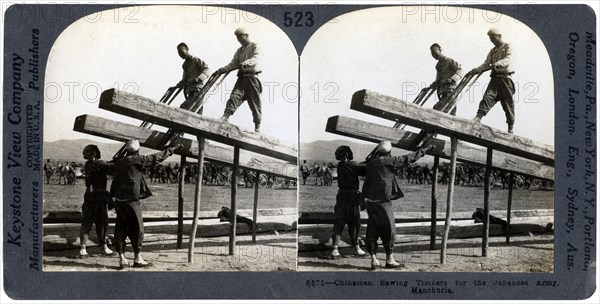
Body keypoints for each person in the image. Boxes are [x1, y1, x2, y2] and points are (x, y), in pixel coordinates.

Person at [362, 140, 434, 269]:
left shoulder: (371, 163)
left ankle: (374, 260)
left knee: (372, 229)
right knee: (389, 230)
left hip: (370, 202)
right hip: (383, 201)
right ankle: (389, 259)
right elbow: (410, 158)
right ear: (389, 151)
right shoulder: (390, 161)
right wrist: (426, 149)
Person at [110, 139, 181, 269]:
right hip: (132, 200)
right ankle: (137, 258)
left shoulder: (119, 162)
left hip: (119, 201)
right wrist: (173, 149)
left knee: (120, 228)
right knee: (137, 228)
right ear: (137, 150)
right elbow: (157, 158)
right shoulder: (138, 160)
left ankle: (122, 259)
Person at [466, 28, 516, 133]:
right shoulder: (492, 51)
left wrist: (498, 63)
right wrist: (475, 70)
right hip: (495, 79)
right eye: (490, 38)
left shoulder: (508, 46)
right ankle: (478, 118)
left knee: (508, 104)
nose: (491, 40)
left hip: (506, 79)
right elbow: (486, 64)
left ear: (499, 36)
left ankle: (510, 128)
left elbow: (508, 59)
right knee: (487, 98)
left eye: (493, 38)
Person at [217, 28, 262, 133]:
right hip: (242, 78)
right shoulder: (239, 50)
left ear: (246, 35)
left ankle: (257, 126)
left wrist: (246, 63)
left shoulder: (255, 45)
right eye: (237, 38)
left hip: (252, 78)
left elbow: (256, 58)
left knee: (254, 103)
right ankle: (225, 117)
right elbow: (233, 63)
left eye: (240, 37)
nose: (239, 40)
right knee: (234, 97)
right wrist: (222, 70)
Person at [330, 145, 366, 260]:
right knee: (355, 223)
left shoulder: (340, 165)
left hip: (341, 196)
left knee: (339, 222)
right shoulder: (352, 164)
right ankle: (356, 248)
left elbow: (356, 166)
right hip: (352, 197)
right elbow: (364, 169)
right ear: (347, 154)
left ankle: (335, 250)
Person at [79, 145, 114, 258]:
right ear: (95, 153)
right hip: (99, 198)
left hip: (89, 196)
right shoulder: (98, 163)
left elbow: (104, 166)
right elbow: (112, 168)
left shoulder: (88, 164)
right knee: (102, 223)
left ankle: (83, 248)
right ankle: (104, 247)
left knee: (87, 223)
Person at [427, 43, 463, 115]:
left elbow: (460, 70)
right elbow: (438, 80)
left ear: (440, 50)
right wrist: (431, 86)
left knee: (439, 108)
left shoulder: (449, 61)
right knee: (449, 111)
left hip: (450, 90)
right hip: (442, 92)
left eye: (435, 52)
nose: (434, 55)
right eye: (432, 54)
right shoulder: (438, 66)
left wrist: (452, 79)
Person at [176, 42, 210, 112]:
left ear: (187, 49)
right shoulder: (185, 65)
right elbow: (184, 79)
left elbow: (207, 69)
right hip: (189, 91)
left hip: (197, 89)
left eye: (182, 52)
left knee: (185, 108)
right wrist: (180, 84)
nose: (181, 54)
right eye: (179, 53)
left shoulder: (196, 60)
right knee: (195, 110)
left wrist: (199, 78)